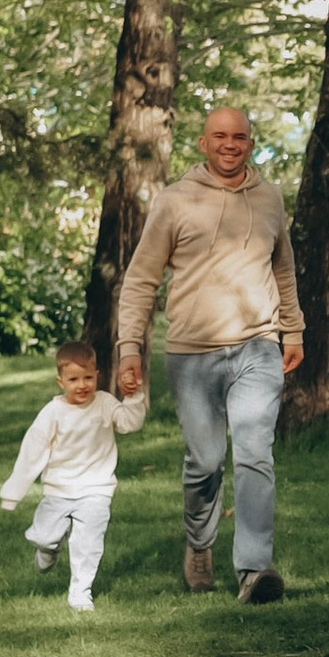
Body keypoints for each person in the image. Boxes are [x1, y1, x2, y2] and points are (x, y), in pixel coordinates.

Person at [114, 102, 303, 604]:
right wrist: (129, 346)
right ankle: (199, 543)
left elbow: (283, 270)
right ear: (203, 143)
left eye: (239, 137)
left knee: (256, 454)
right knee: (205, 460)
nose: (229, 145)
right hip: (192, 352)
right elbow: (140, 279)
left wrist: (294, 332)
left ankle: (254, 570)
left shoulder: (269, 199)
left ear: (250, 142)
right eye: (219, 136)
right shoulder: (175, 201)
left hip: (257, 346)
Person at [0, 341, 147, 612]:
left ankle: (80, 592)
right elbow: (32, 452)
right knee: (43, 536)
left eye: (88, 377)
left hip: (96, 489)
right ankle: (48, 549)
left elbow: (130, 423)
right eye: (74, 379)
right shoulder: (53, 413)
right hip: (59, 489)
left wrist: (134, 397)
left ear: (98, 376)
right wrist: (12, 493)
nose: (82, 385)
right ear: (60, 381)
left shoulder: (104, 403)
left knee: (88, 543)